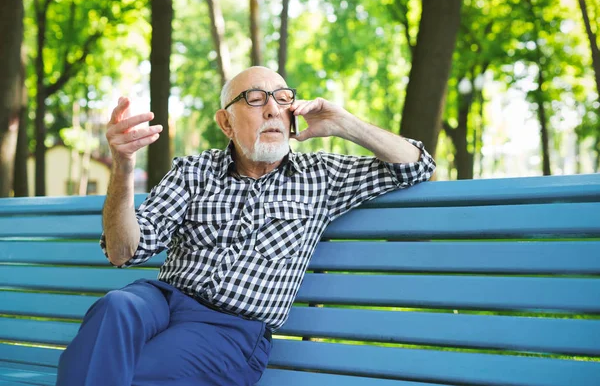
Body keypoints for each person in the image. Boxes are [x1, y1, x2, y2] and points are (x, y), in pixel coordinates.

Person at [56, 66, 436, 386]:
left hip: (230, 329)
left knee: (138, 374)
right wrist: (122, 166)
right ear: (226, 122)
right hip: (162, 298)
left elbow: (418, 165)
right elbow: (125, 252)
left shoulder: (322, 176)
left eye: (283, 98)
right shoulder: (193, 171)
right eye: (255, 99)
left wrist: (345, 124)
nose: (273, 109)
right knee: (116, 304)